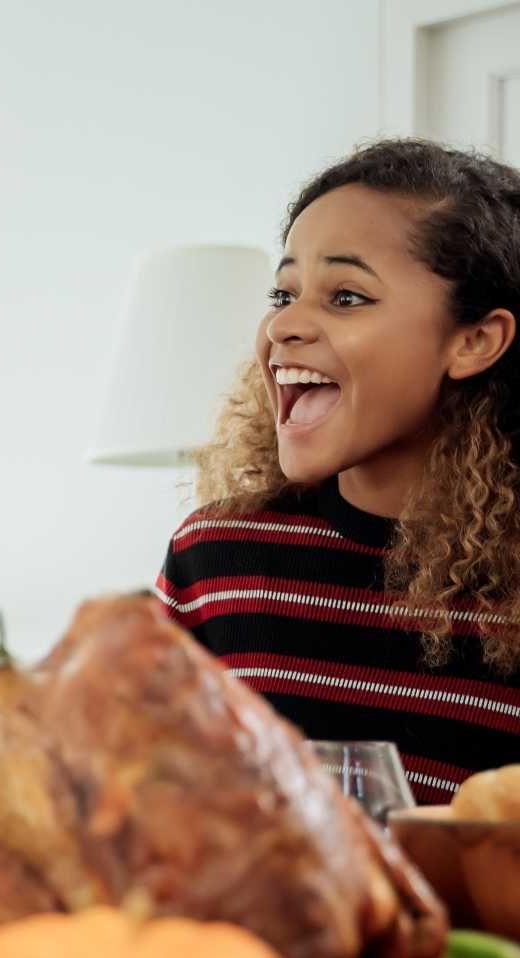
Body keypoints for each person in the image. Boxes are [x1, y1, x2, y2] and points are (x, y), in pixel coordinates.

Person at [157, 138, 520, 804]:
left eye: (347, 297)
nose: (285, 324)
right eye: (283, 292)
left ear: (473, 341)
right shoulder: (214, 560)